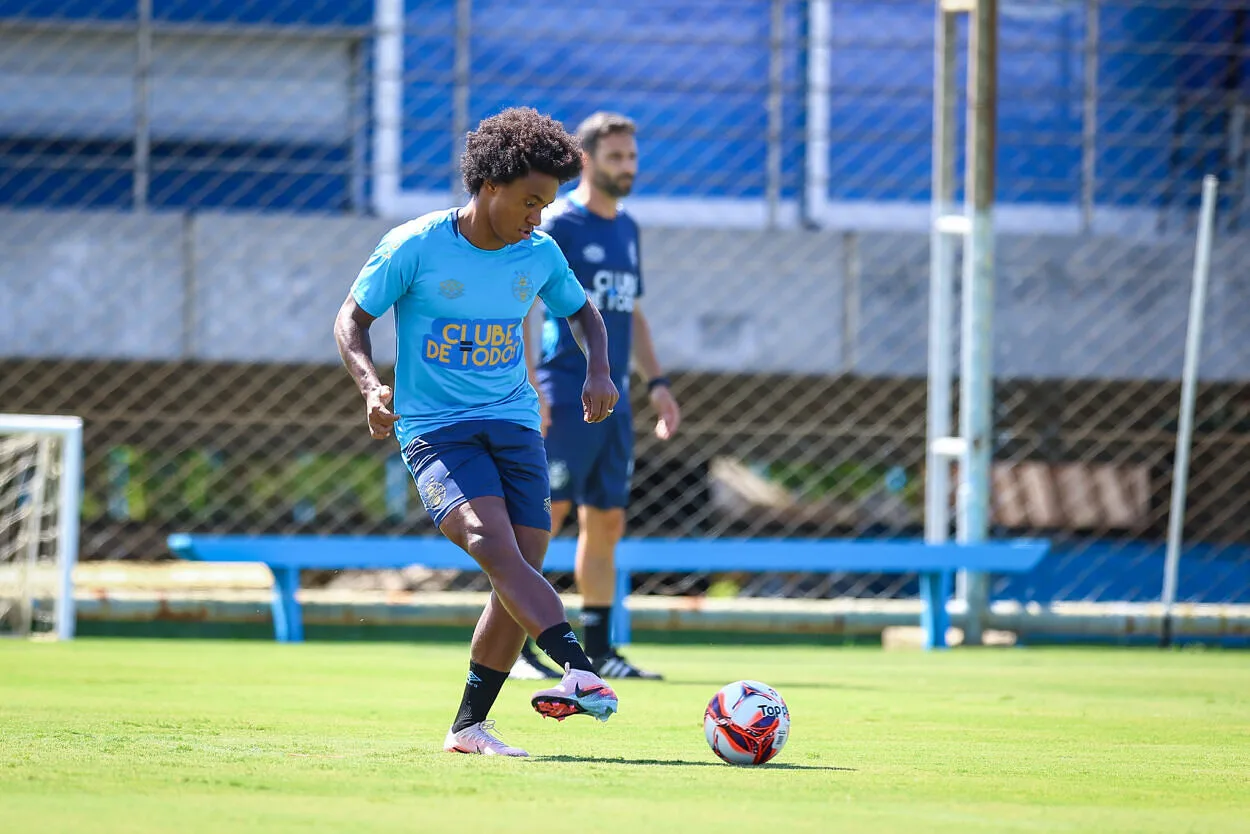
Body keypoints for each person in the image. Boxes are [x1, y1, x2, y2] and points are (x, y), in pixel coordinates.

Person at [333, 107, 621, 758]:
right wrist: (372, 387)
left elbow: (586, 317)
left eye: (545, 204)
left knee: (519, 565)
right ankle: (581, 668)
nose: (537, 217)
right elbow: (351, 320)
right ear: (491, 185)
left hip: (514, 424)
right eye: (529, 201)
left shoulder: (539, 253)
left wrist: (597, 372)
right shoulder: (416, 245)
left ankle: (468, 727)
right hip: (436, 429)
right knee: (494, 547)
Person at [512, 112, 681, 682]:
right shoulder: (559, 224)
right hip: (565, 388)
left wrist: (656, 384)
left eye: (632, 157)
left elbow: (631, 309)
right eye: (616, 157)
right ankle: (515, 643)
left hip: (615, 398)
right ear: (586, 161)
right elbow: (526, 303)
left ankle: (602, 647)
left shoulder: (627, 229)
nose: (628, 167)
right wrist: (531, 383)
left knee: (605, 522)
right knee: (543, 519)